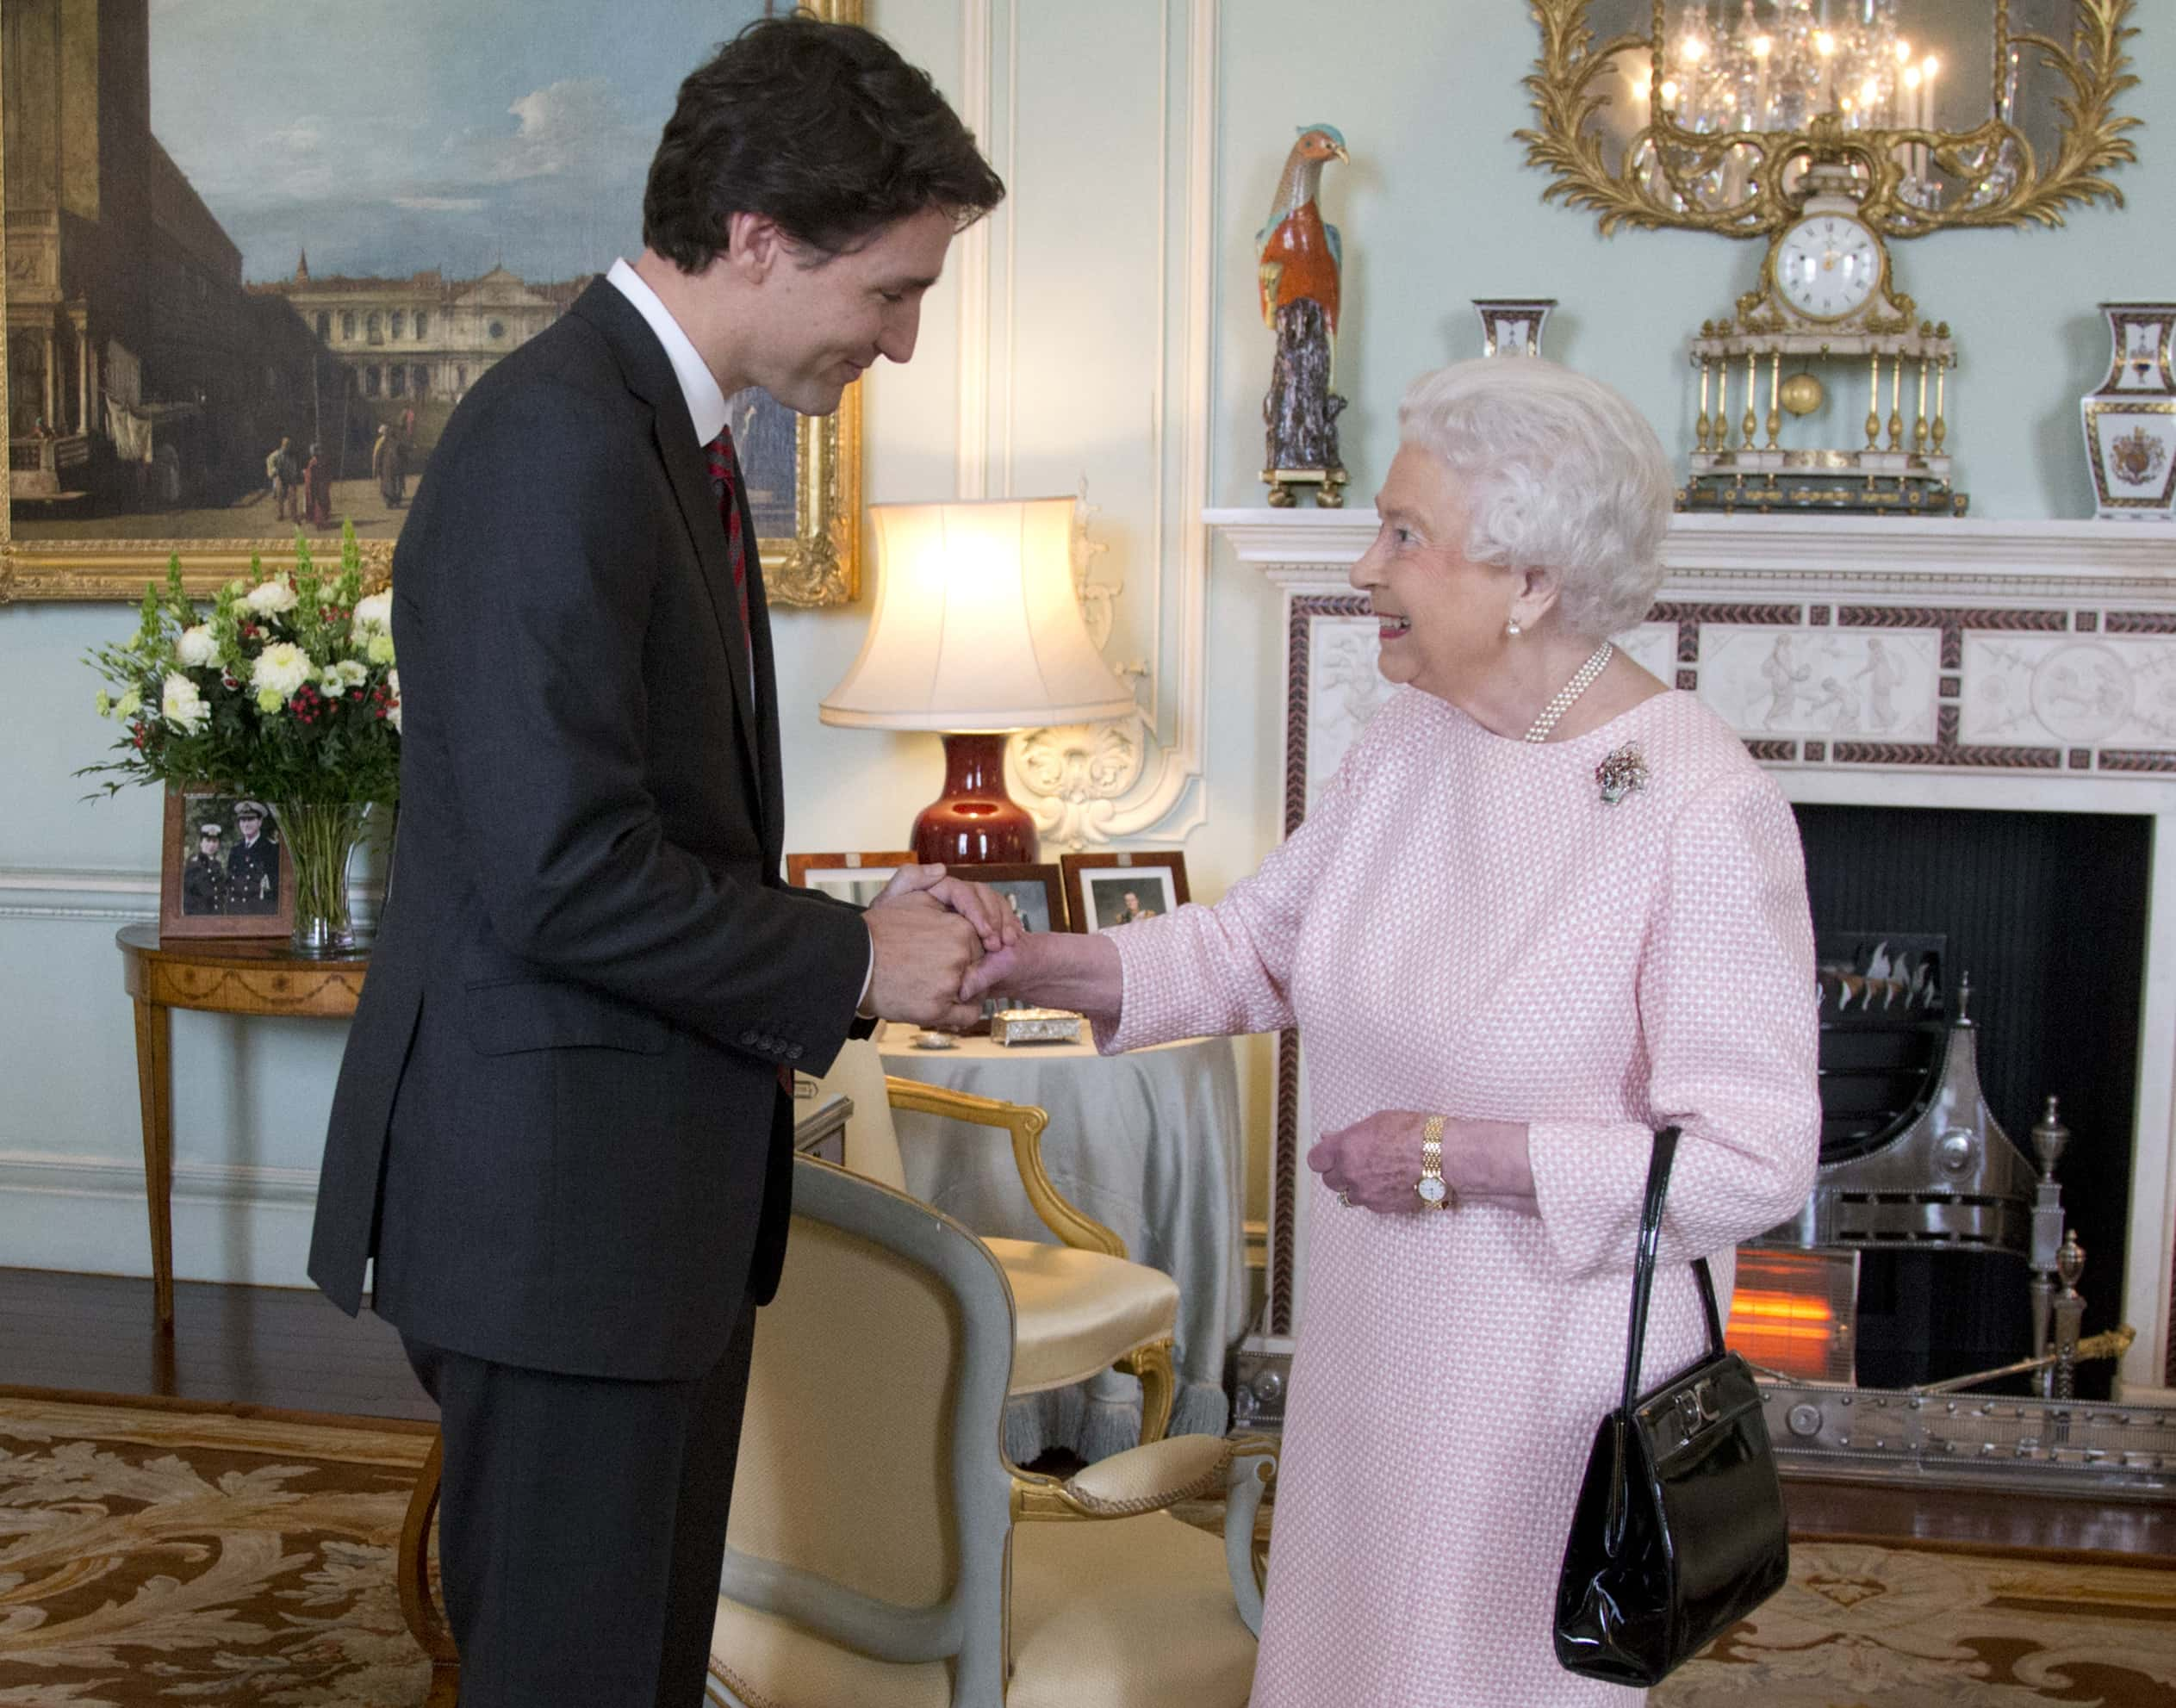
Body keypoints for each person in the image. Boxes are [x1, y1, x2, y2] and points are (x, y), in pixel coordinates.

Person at [307, 19, 1006, 1708]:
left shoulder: (651, 431)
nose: (904, 340)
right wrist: (847, 965)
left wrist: (850, 933)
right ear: (759, 232)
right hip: (560, 1224)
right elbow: (559, 868)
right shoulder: (556, 442)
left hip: (622, 1208)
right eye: (893, 289)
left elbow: (647, 830)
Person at [964, 357, 1821, 1705]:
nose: (1365, 567)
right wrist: (1032, 962)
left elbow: (1754, 1157)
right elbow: (1260, 944)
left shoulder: (1698, 810)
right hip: (1372, 1353)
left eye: (1404, 537)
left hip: (1541, 1391)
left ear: (1528, 581)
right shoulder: (1413, 739)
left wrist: (1455, 1151)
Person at [223, 801, 278, 913]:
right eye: (243, 820)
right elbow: (230, 885)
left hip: (260, 912)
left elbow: (274, 887)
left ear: (260, 822)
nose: (246, 824)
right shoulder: (235, 850)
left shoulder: (271, 850)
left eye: (250, 819)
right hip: (236, 913)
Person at [182, 822, 227, 915]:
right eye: (208, 840)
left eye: (214, 841)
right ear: (201, 843)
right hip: (199, 917)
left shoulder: (217, 865)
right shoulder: (193, 865)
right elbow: (189, 897)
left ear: (218, 844)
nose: (211, 845)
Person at [371, 422, 407, 507]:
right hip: (393, 467)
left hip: (388, 467)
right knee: (393, 484)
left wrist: (377, 468)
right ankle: (393, 500)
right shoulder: (388, 442)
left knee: (389, 484)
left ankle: (390, 501)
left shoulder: (384, 443)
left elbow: (378, 456)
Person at [266, 436, 299, 522]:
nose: (288, 446)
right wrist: (274, 471)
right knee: (280, 498)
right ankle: (280, 514)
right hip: (280, 478)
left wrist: (294, 477)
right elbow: (269, 461)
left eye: (289, 445)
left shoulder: (291, 456)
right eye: (286, 445)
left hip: (290, 479)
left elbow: (293, 467)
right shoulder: (276, 455)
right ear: (282, 445)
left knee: (293, 497)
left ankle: (294, 516)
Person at [302, 441, 333, 526]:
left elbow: (312, 475)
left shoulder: (314, 461)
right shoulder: (319, 460)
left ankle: (320, 521)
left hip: (317, 486)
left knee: (319, 503)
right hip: (320, 485)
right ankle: (321, 520)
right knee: (321, 503)